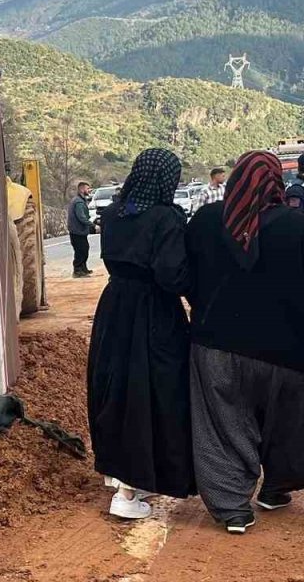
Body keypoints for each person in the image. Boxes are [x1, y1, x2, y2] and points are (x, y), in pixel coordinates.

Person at [186, 151, 304, 534]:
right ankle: (276, 487)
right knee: (285, 422)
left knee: (223, 424)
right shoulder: (295, 225)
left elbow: (186, 275)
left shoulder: (206, 222)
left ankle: (232, 507)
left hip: (217, 345)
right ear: (276, 182)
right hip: (287, 350)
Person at [87, 148, 194, 520]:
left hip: (115, 307)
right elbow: (171, 275)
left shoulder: (113, 213)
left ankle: (120, 474)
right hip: (153, 312)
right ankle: (130, 489)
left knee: (117, 388)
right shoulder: (166, 218)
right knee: (154, 391)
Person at [66, 181, 94, 277]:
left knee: (84, 249)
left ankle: (83, 268)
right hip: (77, 231)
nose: (89, 190)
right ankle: (77, 270)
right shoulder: (78, 202)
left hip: (80, 231)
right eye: (87, 188)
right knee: (80, 251)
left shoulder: (80, 200)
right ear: (82, 189)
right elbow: (81, 217)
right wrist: (93, 225)